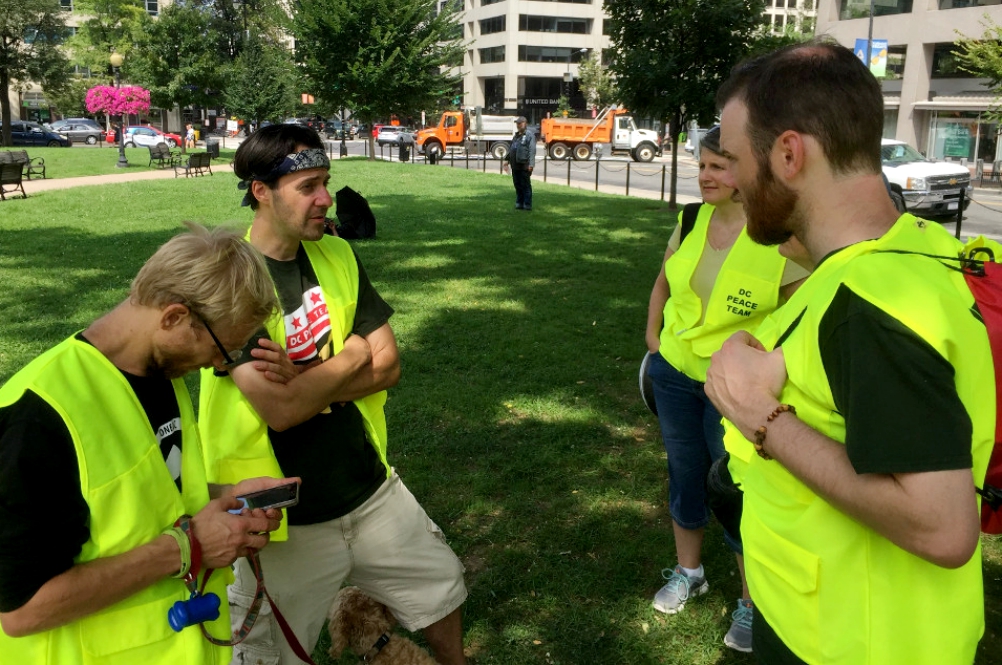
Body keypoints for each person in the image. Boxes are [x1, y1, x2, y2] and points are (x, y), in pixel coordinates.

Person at [704, 39, 993, 664]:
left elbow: (942, 528)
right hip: (831, 621)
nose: (731, 181)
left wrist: (759, 415)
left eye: (733, 160)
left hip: (853, 644)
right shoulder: (901, 251)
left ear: (787, 154)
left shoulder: (870, 307)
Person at [199, 124, 469, 665]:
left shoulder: (338, 254)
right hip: (281, 517)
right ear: (261, 191)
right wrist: (348, 356)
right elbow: (281, 411)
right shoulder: (227, 282)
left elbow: (389, 364)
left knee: (443, 589)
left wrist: (306, 378)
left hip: (367, 486)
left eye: (326, 182)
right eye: (308, 187)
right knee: (267, 652)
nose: (326, 199)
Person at [0, 224, 293, 665]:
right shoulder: (37, 418)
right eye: (222, 349)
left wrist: (224, 499)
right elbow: (22, 609)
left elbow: (136, 500)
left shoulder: (161, 374)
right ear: (174, 317)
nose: (219, 365)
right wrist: (188, 548)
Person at [645, 126, 808, 653]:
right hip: (674, 373)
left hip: (734, 389)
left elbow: (798, 315)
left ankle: (751, 600)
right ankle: (688, 571)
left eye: (718, 166)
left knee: (737, 487)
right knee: (684, 472)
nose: (705, 175)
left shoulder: (778, 233)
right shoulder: (691, 218)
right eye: (702, 165)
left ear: (746, 172)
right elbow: (665, 280)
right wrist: (654, 339)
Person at [503, 116, 536, 210]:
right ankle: (519, 203)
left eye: (520, 123)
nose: (518, 125)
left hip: (524, 165)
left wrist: (531, 165)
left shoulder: (529, 135)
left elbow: (532, 150)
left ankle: (527, 204)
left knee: (525, 185)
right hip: (515, 165)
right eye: (517, 123)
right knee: (517, 185)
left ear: (525, 123)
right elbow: (512, 148)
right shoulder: (516, 135)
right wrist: (507, 160)